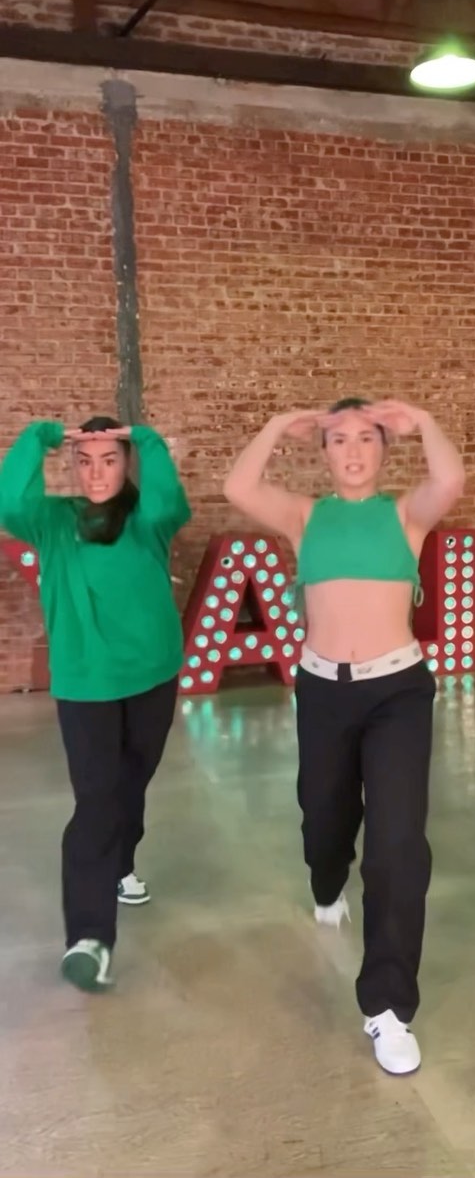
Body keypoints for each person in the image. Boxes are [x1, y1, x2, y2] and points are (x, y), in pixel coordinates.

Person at [224, 397, 464, 1074]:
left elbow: (450, 479)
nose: (352, 451)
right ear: (323, 451)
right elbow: (237, 486)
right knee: (324, 816)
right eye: (338, 439)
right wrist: (278, 425)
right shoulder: (306, 516)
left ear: (385, 449)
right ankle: (327, 880)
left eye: (366, 438)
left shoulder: (405, 515)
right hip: (324, 690)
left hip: (397, 693)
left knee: (397, 845)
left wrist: (424, 420)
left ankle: (388, 1006)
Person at [0, 417, 191, 992]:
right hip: (86, 683)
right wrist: (41, 436)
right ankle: (89, 939)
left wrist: (146, 438)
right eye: (84, 462)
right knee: (96, 800)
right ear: (72, 467)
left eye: (109, 460)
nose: (96, 473)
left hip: (152, 675)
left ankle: (122, 863)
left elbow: (169, 499)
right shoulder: (53, 521)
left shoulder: (147, 521)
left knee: (131, 782)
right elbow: (10, 500)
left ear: (125, 464)